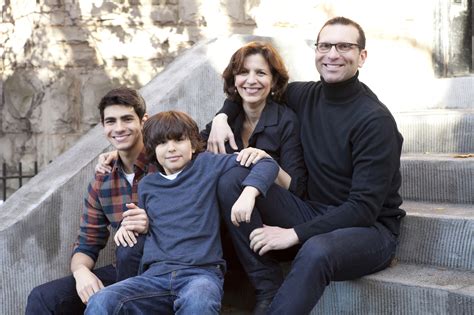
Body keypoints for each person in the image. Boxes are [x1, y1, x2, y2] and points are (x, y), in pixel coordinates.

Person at [208, 16, 406, 314]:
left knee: (316, 249)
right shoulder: (305, 94)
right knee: (234, 179)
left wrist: (294, 234)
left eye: (344, 46)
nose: (332, 54)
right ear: (316, 51)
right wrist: (221, 117)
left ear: (361, 56)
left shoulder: (374, 121)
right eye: (325, 45)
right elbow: (254, 86)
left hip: (368, 230)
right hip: (311, 210)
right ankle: (266, 287)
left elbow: (363, 209)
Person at [84, 110, 279, 314]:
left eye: (179, 140)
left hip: (200, 274)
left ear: (193, 144)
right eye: (162, 143)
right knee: (102, 300)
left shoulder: (207, 164)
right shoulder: (148, 185)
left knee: (200, 301)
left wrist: (249, 194)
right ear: (153, 149)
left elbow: (266, 164)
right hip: (154, 277)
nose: (171, 149)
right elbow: (145, 223)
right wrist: (128, 227)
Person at [26, 87, 153, 314]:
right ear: (103, 127)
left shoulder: (165, 162)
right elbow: (87, 242)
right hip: (123, 271)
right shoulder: (102, 181)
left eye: (127, 119)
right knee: (44, 298)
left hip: (162, 270)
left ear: (144, 122)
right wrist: (81, 273)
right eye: (111, 121)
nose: (119, 128)